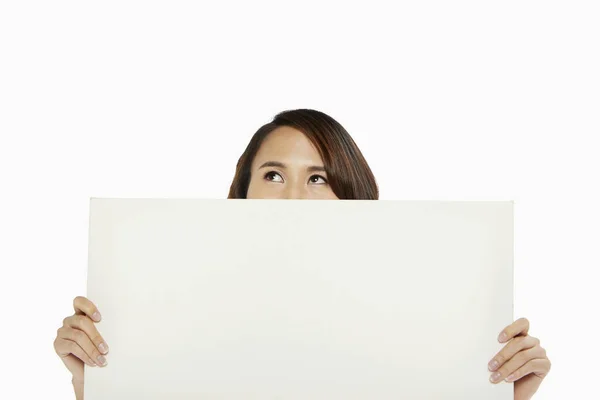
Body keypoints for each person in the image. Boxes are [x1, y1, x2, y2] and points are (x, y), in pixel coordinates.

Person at [54, 109, 551, 399]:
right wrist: (96, 385)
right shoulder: (180, 318)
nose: (292, 196)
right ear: (242, 192)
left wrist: (507, 396)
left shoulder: (414, 326)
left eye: (318, 178)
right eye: (272, 175)